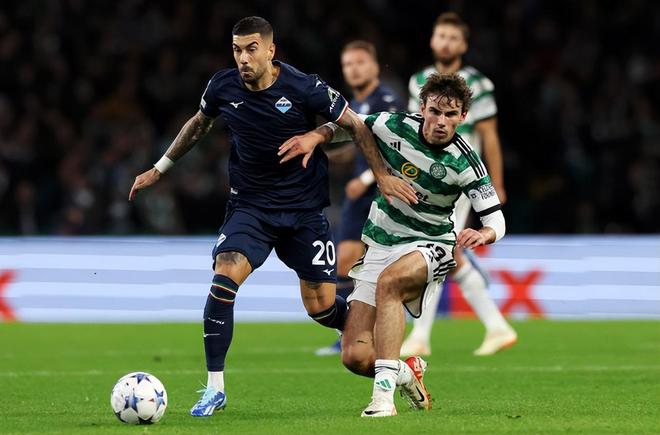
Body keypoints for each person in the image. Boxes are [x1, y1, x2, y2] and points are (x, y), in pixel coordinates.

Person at [128, 16, 417, 417]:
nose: (243, 58)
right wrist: (160, 168)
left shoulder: (304, 86)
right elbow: (199, 124)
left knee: (322, 308)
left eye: (251, 49)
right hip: (250, 209)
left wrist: (379, 175)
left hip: (303, 213)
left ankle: (391, 359)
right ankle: (214, 388)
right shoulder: (222, 86)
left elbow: (355, 126)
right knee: (224, 277)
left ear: (270, 50)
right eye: (236, 50)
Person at [279, 73, 507, 417]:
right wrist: (316, 135)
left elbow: (496, 220)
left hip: (431, 245)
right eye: (435, 111)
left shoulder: (466, 161)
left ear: (462, 117)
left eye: (450, 114)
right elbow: (350, 125)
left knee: (391, 284)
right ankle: (405, 372)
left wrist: (484, 234)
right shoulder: (393, 125)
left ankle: (383, 399)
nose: (441, 121)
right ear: (422, 108)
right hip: (381, 244)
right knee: (355, 356)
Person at [402, 12, 516, 357]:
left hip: (460, 176)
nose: (446, 43)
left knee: (434, 246)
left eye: (453, 37)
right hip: (426, 176)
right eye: (441, 36)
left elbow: (489, 136)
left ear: (463, 45)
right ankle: (497, 326)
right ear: (432, 40)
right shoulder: (418, 81)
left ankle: (420, 336)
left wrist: (496, 183)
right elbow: (413, 130)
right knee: (448, 252)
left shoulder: (478, 83)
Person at [315, 40, 404, 356]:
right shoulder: (354, 104)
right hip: (360, 195)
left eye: (360, 62)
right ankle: (350, 334)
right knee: (346, 263)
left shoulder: (387, 100)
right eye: (348, 65)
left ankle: (363, 334)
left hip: (382, 193)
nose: (353, 69)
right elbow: (358, 147)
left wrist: (366, 178)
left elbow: (396, 145)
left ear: (375, 67)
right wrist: (321, 155)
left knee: (375, 268)